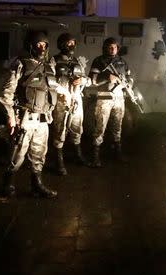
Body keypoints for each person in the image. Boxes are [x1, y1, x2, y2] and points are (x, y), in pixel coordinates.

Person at [0, 31, 58, 199]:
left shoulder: (50, 66)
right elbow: (6, 94)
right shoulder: (20, 64)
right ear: (31, 46)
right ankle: (8, 182)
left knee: (39, 153)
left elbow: (52, 89)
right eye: (39, 44)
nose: (42, 47)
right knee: (17, 153)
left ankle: (36, 184)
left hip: (42, 119)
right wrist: (11, 116)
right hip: (25, 117)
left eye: (45, 45)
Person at [88, 37, 132, 167]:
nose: (113, 49)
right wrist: (107, 77)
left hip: (119, 98)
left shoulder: (123, 62)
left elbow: (130, 77)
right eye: (110, 47)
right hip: (104, 97)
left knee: (117, 127)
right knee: (100, 127)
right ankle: (95, 157)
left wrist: (128, 83)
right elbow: (93, 80)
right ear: (106, 48)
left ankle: (117, 154)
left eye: (115, 47)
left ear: (118, 48)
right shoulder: (99, 61)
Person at [51, 33, 90, 175]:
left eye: (73, 42)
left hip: (76, 99)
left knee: (77, 127)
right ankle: (59, 161)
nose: (72, 45)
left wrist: (81, 81)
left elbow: (87, 79)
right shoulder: (53, 60)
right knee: (60, 129)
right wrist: (63, 91)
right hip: (62, 101)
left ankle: (78, 155)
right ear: (62, 44)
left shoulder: (77, 61)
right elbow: (49, 81)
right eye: (69, 43)